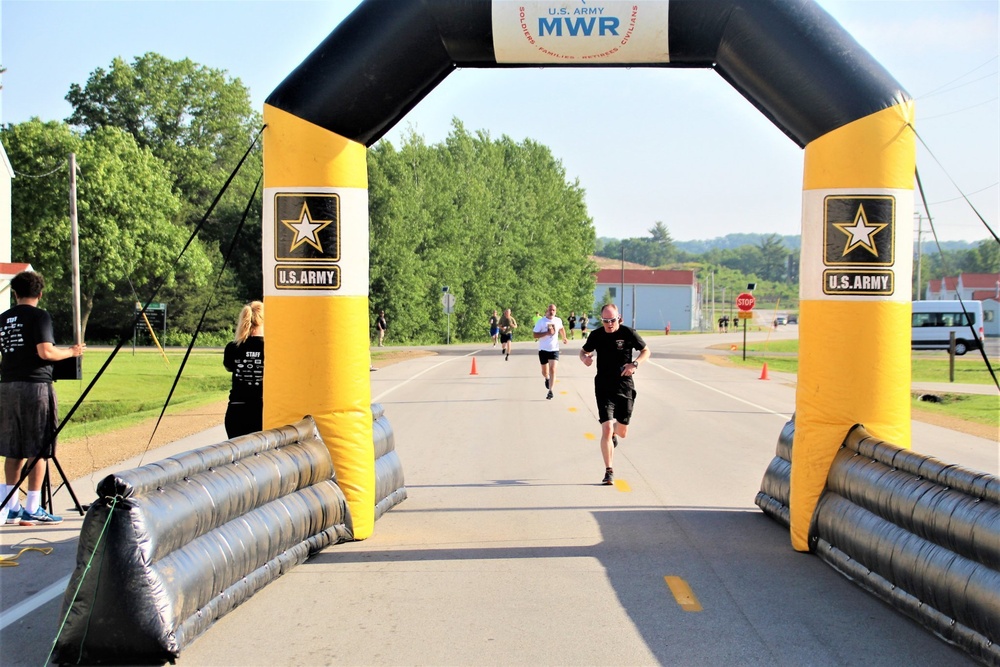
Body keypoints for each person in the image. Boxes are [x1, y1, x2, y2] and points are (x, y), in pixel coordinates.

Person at [0, 270, 85, 525]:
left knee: (13, 448)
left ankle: (9, 506)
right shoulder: (40, 316)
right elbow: (46, 352)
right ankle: (33, 507)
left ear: (15, 293)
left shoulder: (3, 318)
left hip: (7, 386)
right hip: (35, 387)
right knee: (40, 448)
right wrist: (72, 352)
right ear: (40, 293)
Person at [579, 303, 651, 486]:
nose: (609, 324)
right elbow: (583, 351)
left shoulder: (628, 333)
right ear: (601, 320)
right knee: (607, 428)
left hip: (624, 385)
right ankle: (609, 471)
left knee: (622, 431)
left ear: (619, 318)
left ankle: (614, 436)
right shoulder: (596, 335)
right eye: (605, 321)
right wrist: (585, 358)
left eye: (612, 320)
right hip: (603, 385)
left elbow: (646, 351)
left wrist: (634, 364)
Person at [223, 301, 264, 439]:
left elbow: (229, 366)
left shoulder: (233, 347)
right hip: (261, 409)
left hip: (236, 411)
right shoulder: (270, 347)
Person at [532, 303, 568, 400]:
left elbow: (561, 328)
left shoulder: (558, 320)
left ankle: (550, 391)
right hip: (543, 349)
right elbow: (535, 335)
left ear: (555, 311)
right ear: (547, 311)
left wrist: (564, 337)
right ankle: (547, 378)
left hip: (554, 349)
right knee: (545, 372)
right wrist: (547, 333)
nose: (551, 312)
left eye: (553, 310)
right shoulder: (541, 322)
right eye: (550, 310)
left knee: (553, 369)